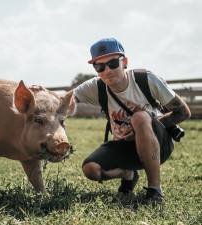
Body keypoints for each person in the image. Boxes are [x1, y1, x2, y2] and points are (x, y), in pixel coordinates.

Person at [74, 38, 191, 205]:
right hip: (125, 147)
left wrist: (144, 126)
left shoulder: (146, 80)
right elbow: (65, 99)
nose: (107, 70)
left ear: (125, 62)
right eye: (100, 66)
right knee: (90, 169)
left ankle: (155, 191)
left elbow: (183, 112)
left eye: (113, 63)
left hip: (158, 145)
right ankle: (128, 174)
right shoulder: (95, 87)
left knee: (140, 117)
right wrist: (37, 93)